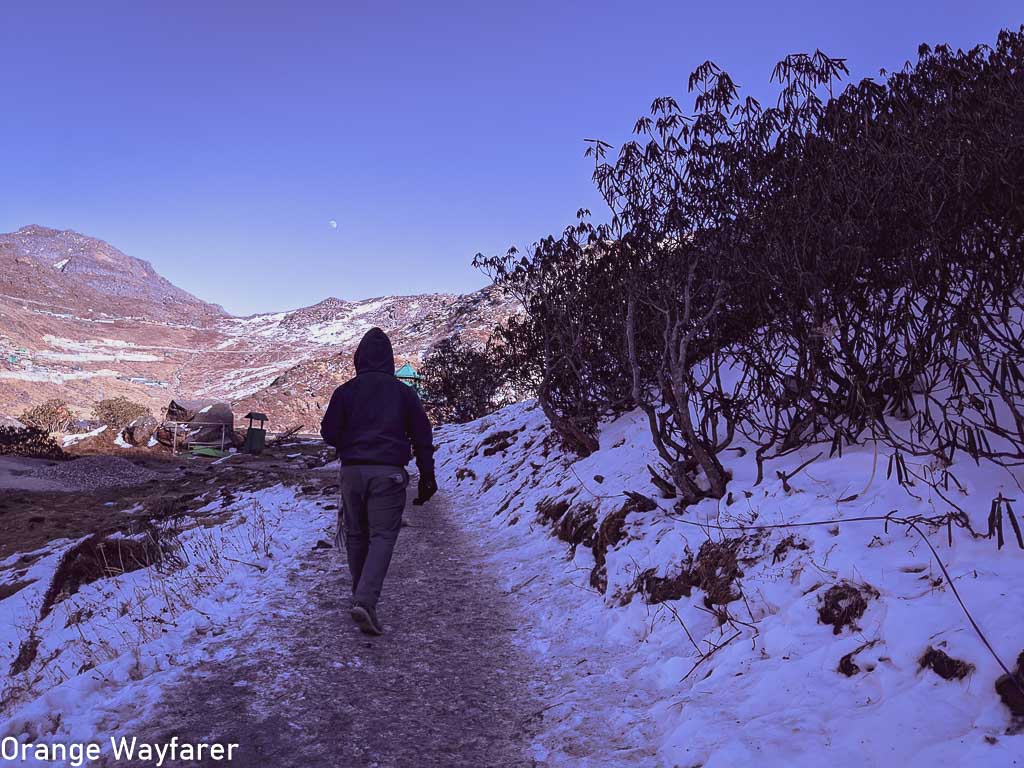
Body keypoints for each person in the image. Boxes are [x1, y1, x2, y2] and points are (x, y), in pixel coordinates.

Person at [320, 327, 438, 635]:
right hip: (388, 472)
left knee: (357, 535)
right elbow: (423, 437)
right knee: (383, 536)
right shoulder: (404, 393)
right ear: (389, 359)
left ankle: (361, 598)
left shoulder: (345, 392)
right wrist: (427, 476)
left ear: (359, 358)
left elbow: (329, 433)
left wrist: (352, 441)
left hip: (352, 472)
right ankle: (365, 601)